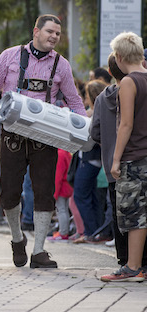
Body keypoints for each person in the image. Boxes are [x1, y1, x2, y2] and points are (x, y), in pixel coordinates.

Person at [0, 14, 85, 269]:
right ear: (36, 31)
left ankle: (39, 252)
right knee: (9, 192)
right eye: (50, 32)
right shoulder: (9, 56)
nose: (54, 37)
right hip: (12, 135)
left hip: (45, 137)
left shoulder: (62, 65)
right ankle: (16, 238)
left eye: (58, 33)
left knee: (44, 192)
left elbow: (75, 101)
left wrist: (84, 130)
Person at [91, 53, 147, 268]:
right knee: (140, 212)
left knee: (120, 213)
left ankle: (125, 260)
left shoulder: (102, 99)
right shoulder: (140, 89)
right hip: (137, 159)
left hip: (113, 164)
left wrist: (107, 142)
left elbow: (94, 131)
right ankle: (141, 261)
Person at [72, 79, 106, 243]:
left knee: (81, 195)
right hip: (95, 160)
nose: (84, 100)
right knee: (92, 197)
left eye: (86, 96)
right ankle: (96, 231)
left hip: (89, 159)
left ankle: (90, 232)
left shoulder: (92, 113)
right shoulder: (103, 111)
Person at [49, 149, 74, 241]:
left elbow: (58, 175)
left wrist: (54, 193)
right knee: (64, 210)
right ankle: (64, 231)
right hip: (67, 186)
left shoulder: (60, 154)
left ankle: (63, 232)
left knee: (61, 210)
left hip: (61, 188)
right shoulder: (66, 153)